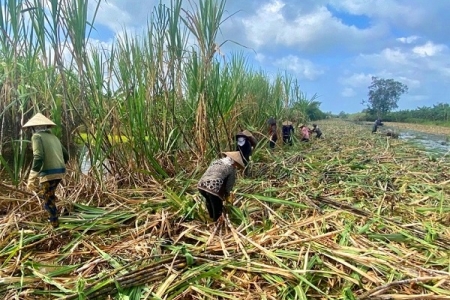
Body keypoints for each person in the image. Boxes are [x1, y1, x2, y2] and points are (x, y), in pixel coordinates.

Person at [23, 113, 69, 228]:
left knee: (48, 199)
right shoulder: (54, 137)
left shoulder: (36, 136)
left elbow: (38, 157)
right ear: (46, 127)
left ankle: (54, 224)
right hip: (60, 171)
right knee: (49, 195)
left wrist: (31, 178)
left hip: (48, 174)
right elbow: (66, 155)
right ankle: (58, 215)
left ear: (34, 128)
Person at [198, 152, 245, 222]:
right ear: (234, 161)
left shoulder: (216, 162)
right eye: (236, 164)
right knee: (217, 208)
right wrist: (227, 194)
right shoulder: (231, 168)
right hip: (213, 187)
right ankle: (216, 223)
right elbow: (229, 184)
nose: (236, 166)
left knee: (209, 202)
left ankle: (210, 219)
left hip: (201, 185)